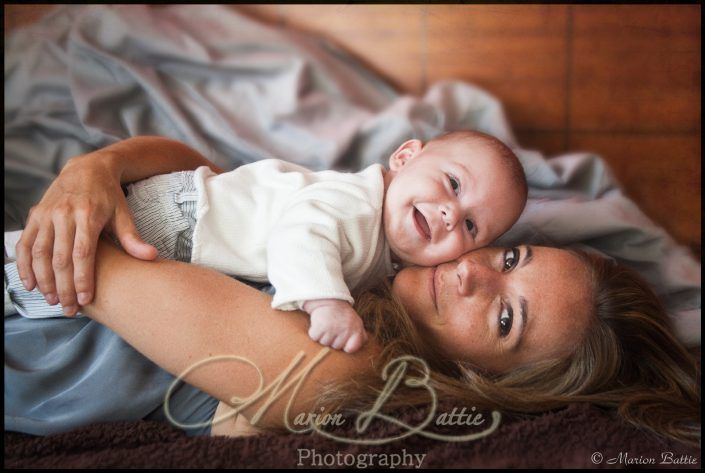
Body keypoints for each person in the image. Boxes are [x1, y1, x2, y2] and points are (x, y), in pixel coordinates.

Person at [4, 149, 700, 446]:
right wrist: (93, 167)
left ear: (489, 377)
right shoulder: (373, 258)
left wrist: (89, 192)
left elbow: (87, 258)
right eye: (510, 256)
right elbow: (209, 178)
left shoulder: (342, 362)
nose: (468, 271)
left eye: (503, 315)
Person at [9, 132, 527, 354]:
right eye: (453, 185)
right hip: (181, 221)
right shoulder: (357, 202)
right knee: (56, 273)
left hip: (198, 236)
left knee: (65, 284)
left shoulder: (383, 252)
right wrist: (327, 302)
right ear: (405, 156)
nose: (447, 214)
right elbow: (301, 234)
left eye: (471, 228)